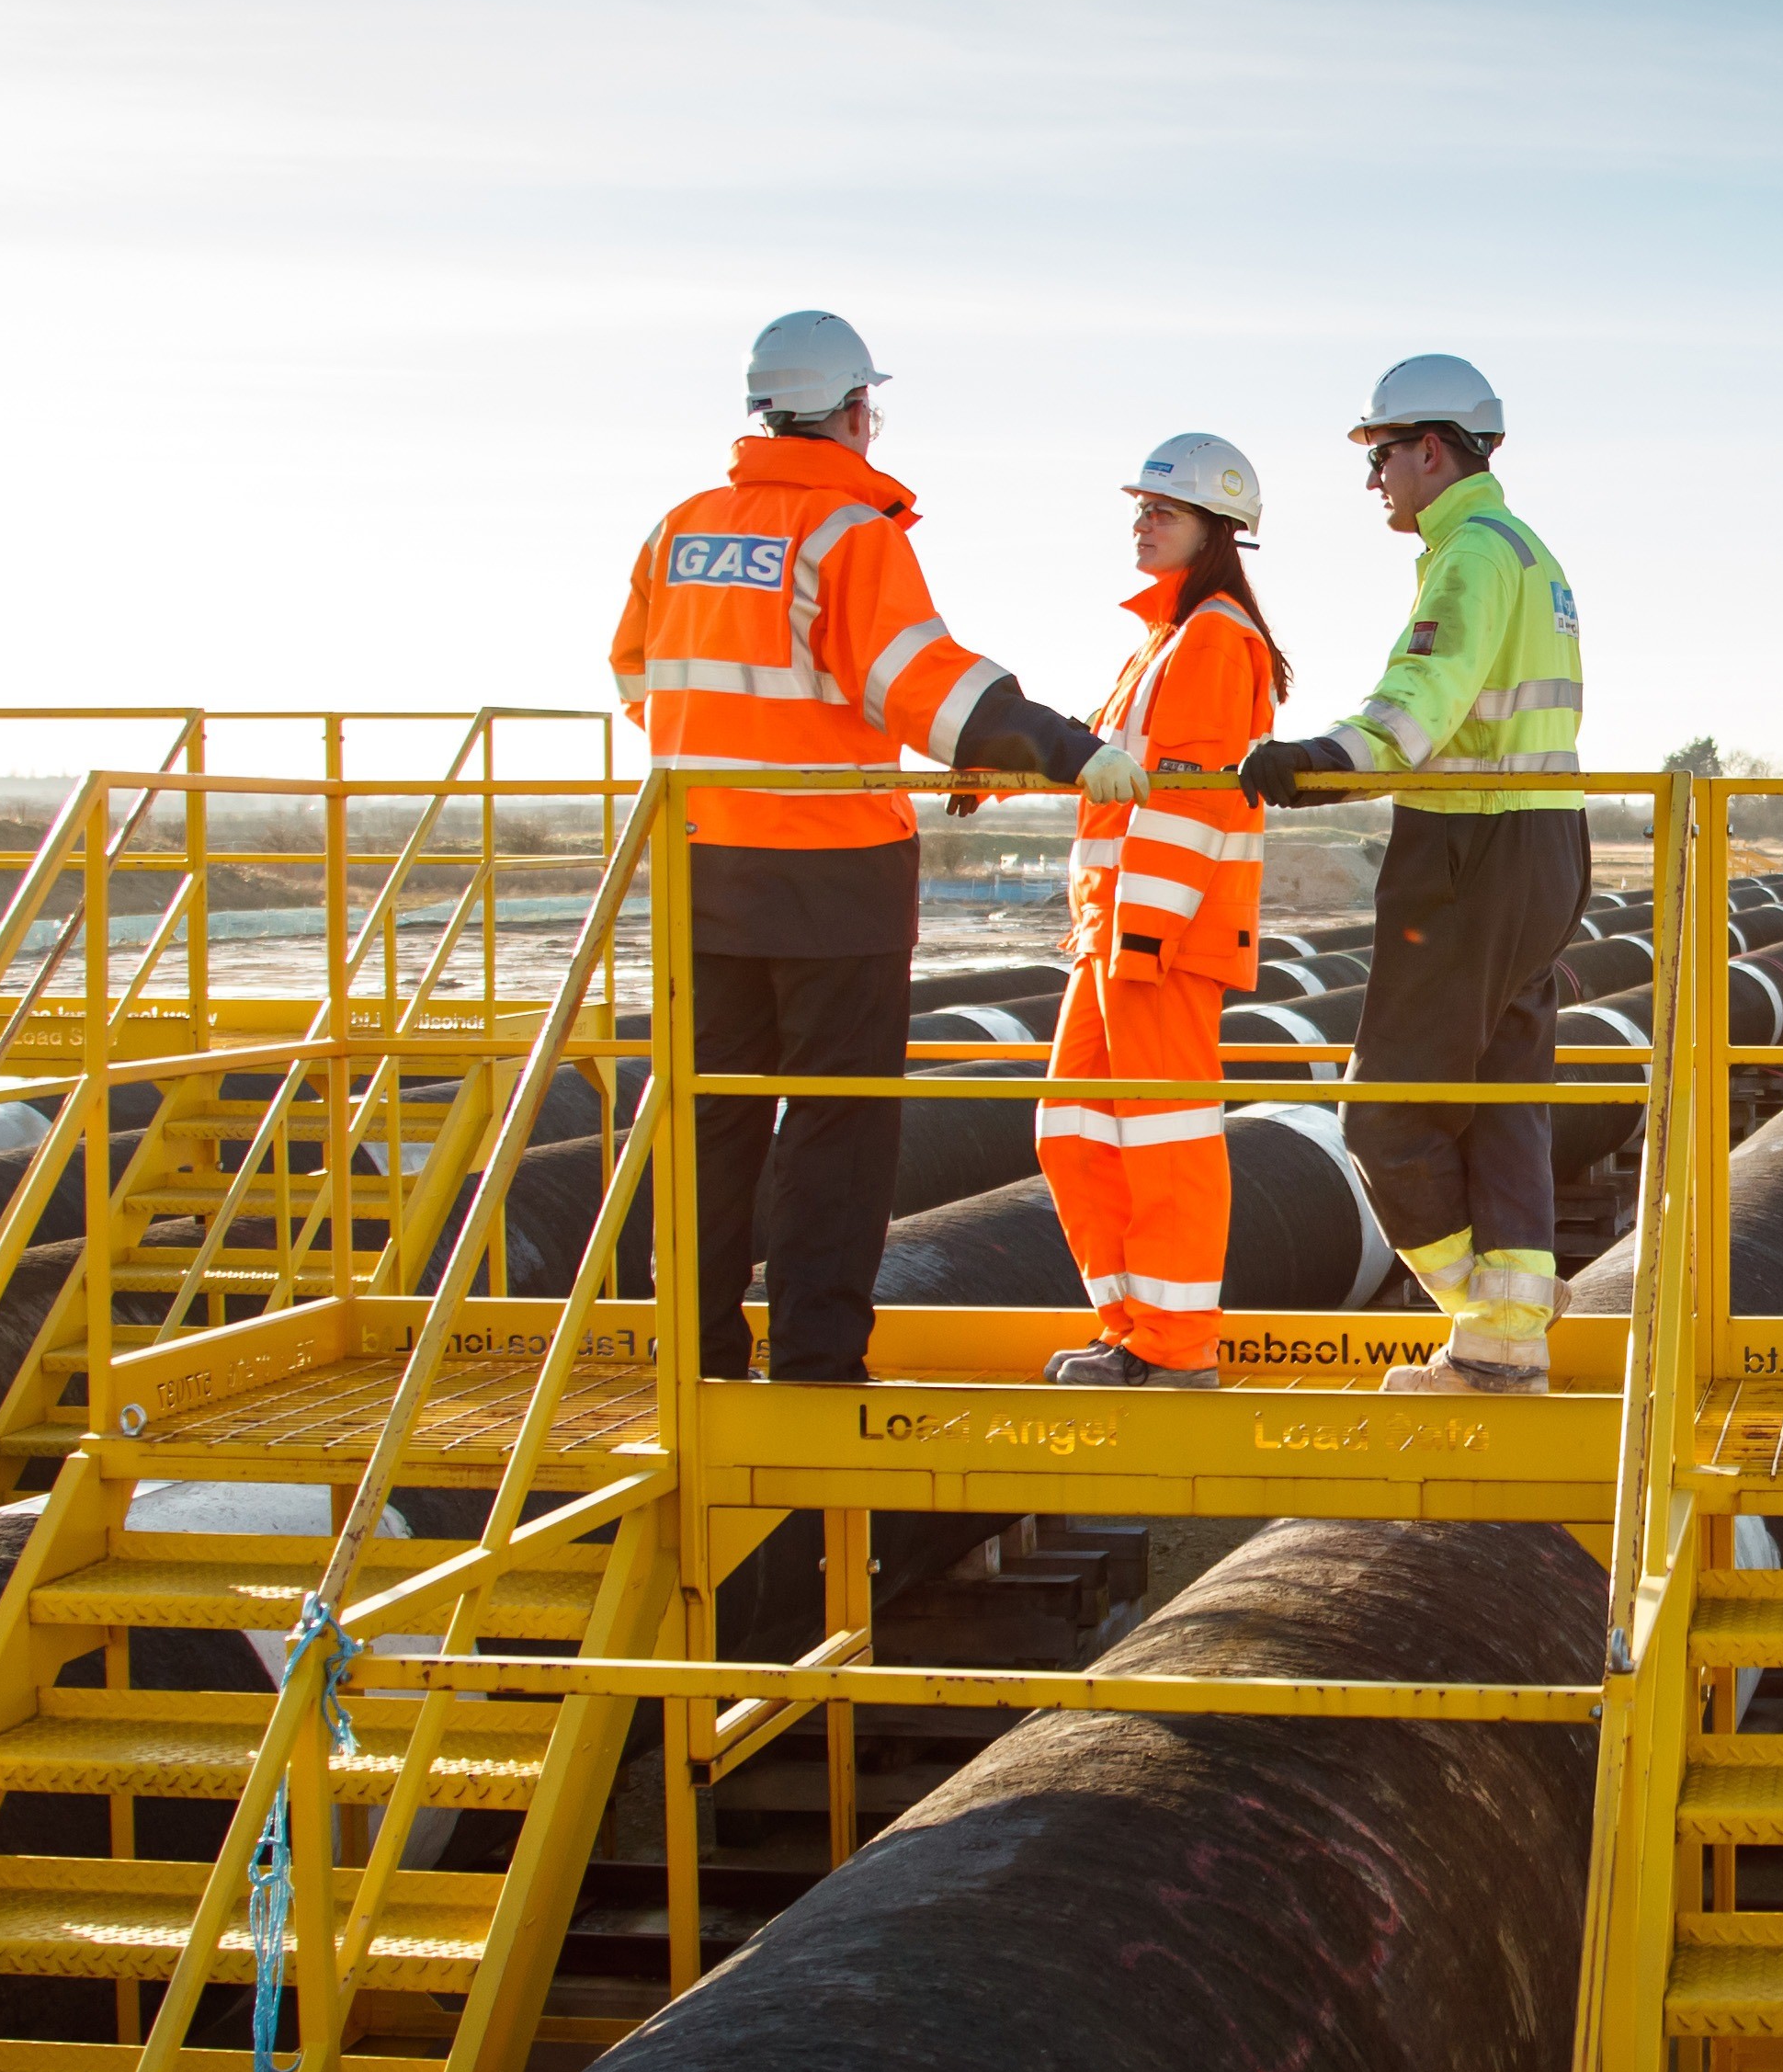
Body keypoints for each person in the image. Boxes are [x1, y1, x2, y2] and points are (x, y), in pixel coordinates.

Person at [612, 309, 1099, 1385]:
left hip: (702, 862)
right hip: (832, 872)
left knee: (708, 1114)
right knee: (838, 1124)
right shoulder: (847, 533)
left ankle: (691, 1356)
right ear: (852, 409)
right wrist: (1064, 750)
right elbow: (921, 680)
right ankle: (817, 1356)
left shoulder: (679, 529)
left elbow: (639, 677)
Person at [1238, 354, 1587, 1396]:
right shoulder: (1533, 553)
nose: (1374, 478)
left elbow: (1421, 700)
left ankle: (1479, 1325)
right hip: (1544, 844)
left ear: (1431, 448)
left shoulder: (1471, 555)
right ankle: (1510, 1333)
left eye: (1381, 454)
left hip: (1469, 850)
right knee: (1505, 1093)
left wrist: (1316, 760)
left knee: (1386, 1112)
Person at [1034, 434, 1284, 1388]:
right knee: (1074, 1131)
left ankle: (1176, 1349)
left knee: (1164, 1137)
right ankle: (1131, 1327)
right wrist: (1006, 776)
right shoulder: (1164, 638)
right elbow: (1117, 770)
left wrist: (1145, 933)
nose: (1143, 521)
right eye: (1140, 506)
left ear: (1218, 532)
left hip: (1158, 936)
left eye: (1163, 510)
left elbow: (1190, 802)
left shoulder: (1216, 637)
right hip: (1111, 931)